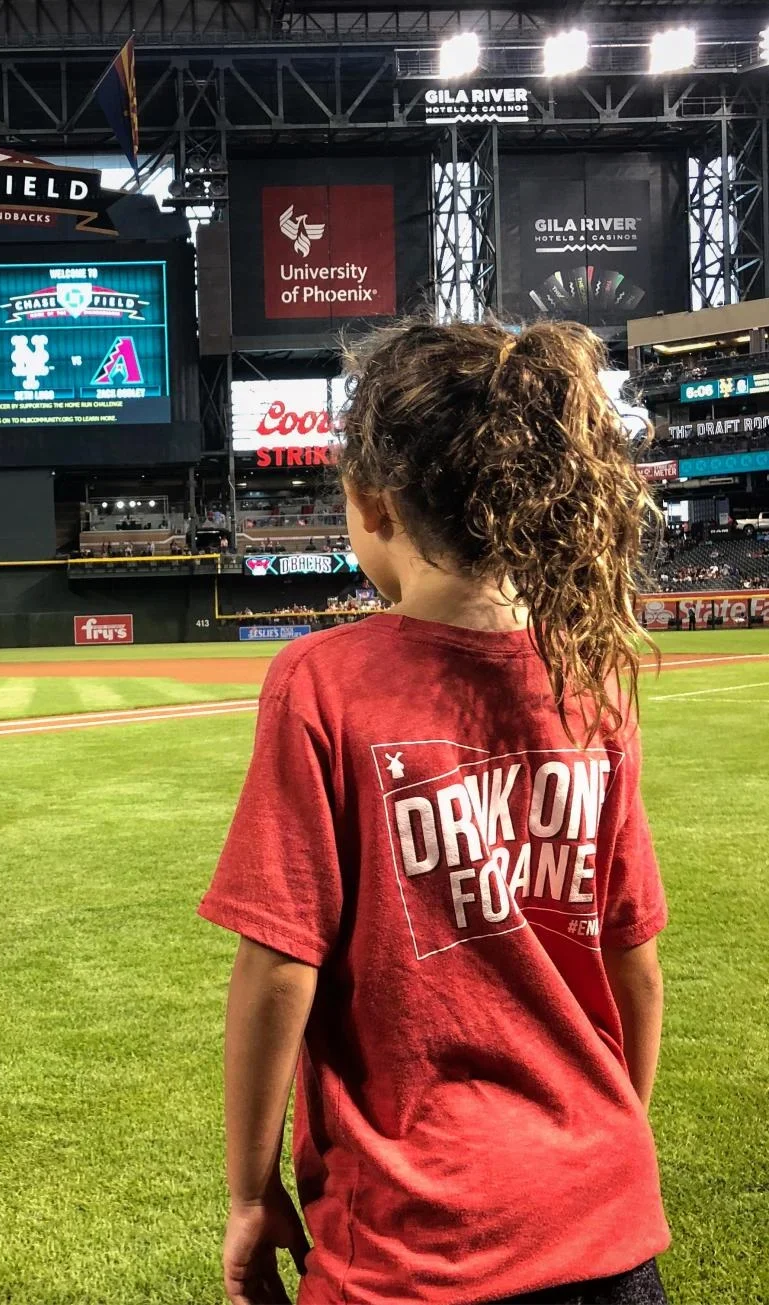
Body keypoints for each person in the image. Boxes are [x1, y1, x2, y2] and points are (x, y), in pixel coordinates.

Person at [199, 320, 669, 1305]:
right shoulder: (592, 677)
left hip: (418, 1244)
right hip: (607, 1222)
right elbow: (635, 967)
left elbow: (280, 966)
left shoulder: (322, 681)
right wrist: (603, 1146)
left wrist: (251, 1191)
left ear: (374, 504)